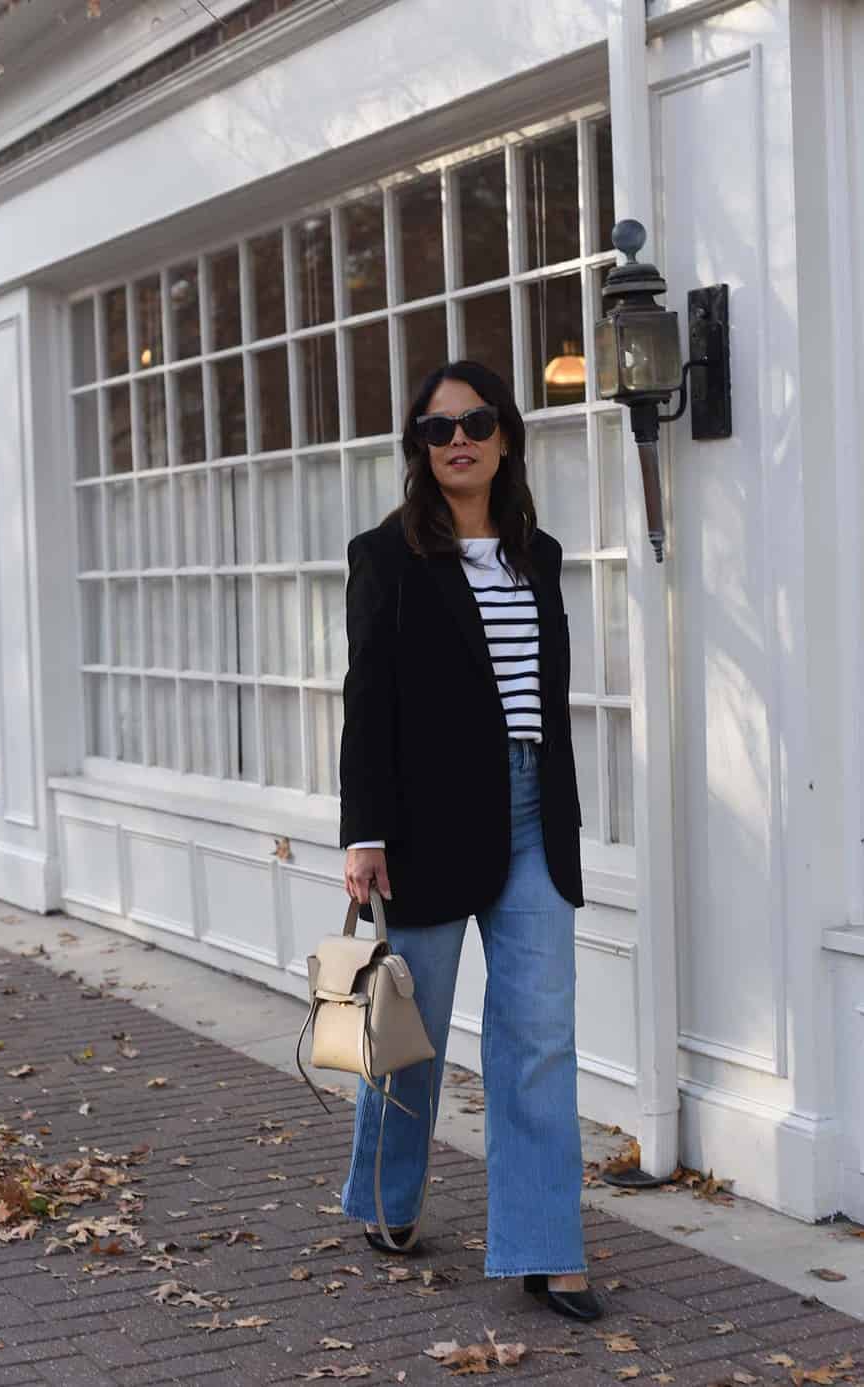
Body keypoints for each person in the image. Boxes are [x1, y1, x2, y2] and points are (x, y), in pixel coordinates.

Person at [336, 359, 602, 1322]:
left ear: (505, 437)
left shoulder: (541, 554)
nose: (459, 439)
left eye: (477, 422)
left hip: (535, 818)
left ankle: (544, 1246)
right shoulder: (387, 554)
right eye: (437, 427)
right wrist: (364, 833)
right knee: (411, 1036)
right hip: (427, 823)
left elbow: (544, 701)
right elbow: (368, 700)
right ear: (417, 447)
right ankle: (387, 1195)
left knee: (539, 1038)